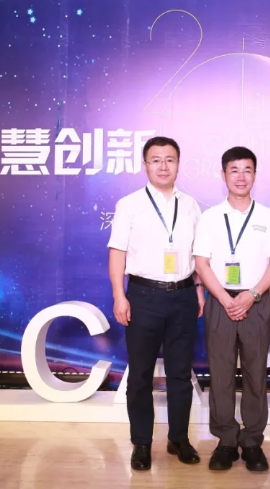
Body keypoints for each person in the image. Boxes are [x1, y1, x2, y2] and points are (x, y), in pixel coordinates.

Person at [107, 136, 205, 471]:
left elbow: (197, 254)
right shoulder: (129, 204)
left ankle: (179, 438)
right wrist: (119, 295)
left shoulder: (191, 205)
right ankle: (142, 443)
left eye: (170, 159)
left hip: (183, 295)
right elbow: (117, 252)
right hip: (143, 296)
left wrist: (198, 289)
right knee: (140, 375)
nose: (163, 166)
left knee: (180, 373)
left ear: (178, 164)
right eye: (156, 160)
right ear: (145, 165)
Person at [193, 146, 270, 472]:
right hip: (220, 302)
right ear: (223, 175)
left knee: (255, 373)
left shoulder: (268, 217)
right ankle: (226, 441)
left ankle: (252, 442)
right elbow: (201, 263)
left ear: (255, 175)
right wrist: (224, 297)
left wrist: (253, 294)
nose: (241, 177)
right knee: (220, 373)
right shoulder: (210, 217)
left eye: (247, 170)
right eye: (234, 170)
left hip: (255, 302)